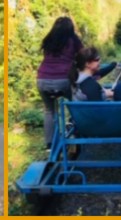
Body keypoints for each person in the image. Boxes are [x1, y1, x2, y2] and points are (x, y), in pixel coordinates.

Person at [36, 17, 83, 152]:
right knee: (77, 102)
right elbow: (83, 55)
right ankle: (75, 127)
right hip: (63, 80)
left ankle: (50, 145)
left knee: (49, 110)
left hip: (42, 80)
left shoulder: (48, 40)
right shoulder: (73, 40)